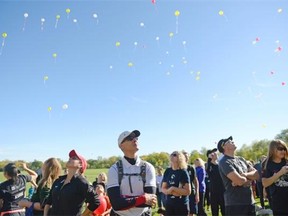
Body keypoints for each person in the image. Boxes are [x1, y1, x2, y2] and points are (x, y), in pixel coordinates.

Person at [107, 130, 157, 216]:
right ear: (121, 145)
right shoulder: (114, 169)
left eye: (136, 138)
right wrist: (143, 198)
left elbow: (150, 201)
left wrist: (124, 200)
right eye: (130, 138)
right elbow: (116, 204)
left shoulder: (148, 167)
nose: (135, 140)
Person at [43, 149, 100, 216]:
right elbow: (49, 201)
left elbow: (95, 201)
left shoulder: (82, 182)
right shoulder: (58, 180)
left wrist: (83, 215)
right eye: (70, 157)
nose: (70, 158)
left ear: (80, 165)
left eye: (74, 158)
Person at [218, 136, 259, 216]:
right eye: (229, 141)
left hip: (250, 201)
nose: (232, 141)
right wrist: (249, 178)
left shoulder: (241, 159)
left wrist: (245, 175)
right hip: (235, 204)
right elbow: (239, 181)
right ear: (224, 147)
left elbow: (257, 174)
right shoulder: (224, 162)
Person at [262, 139, 288, 215]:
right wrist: (280, 173)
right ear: (272, 149)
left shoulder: (286, 161)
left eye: (284, 149)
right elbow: (265, 183)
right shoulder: (267, 163)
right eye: (280, 149)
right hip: (278, 204)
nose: (283, 151)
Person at [162, 151, 191, 216]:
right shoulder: (168, 171)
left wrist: (173, 188)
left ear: (180, 158)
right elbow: (163, 188)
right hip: (169, 204)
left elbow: (188, 191)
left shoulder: (183, 172)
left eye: (174, 155)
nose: (172, 156)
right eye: (171, 154)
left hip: (181, 205)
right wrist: (170, 191)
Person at [206, 148, 225, 216]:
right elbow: (208, 170)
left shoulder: (220, 164)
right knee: (215, 210)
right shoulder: (209, 165)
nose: (215, 154)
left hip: (222, 190)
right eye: (213, 153)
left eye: (215, 152)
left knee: (224, 209)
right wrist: (209, 159)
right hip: (214, 191)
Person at [183, 151, 199, 216]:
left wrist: (197, 194)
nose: (186, 158)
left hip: (191, 193)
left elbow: (195, 181)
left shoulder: (191, 168)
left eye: (187, 157)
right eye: (184, 157)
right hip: (182, 193)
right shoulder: (178, 168)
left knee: (191, 212)